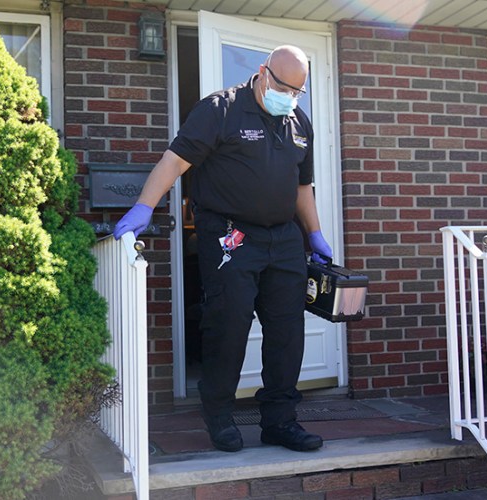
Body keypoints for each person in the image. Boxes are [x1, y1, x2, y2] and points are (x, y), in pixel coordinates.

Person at [113, 45, 332, 453]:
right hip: (230, 233)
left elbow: (303, 186)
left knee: (288, 331)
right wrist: (145, 205)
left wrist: (314, 233)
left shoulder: (298, 120)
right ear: (263, 72)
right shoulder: (221, 109)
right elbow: (175, 161)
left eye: (299, 92)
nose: (291, 97)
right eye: (285, 87)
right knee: (228, 325)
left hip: (283, 237)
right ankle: (219, 415)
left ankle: (280, 421)